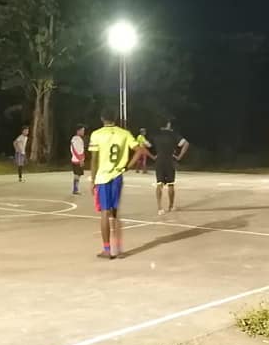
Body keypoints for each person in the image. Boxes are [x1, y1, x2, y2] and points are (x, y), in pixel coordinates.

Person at [88, 110, 149, 259]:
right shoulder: (124, 133)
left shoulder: (96, 134)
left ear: (102, 118)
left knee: (104, 212)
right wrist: (127, 166)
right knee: (115, 213)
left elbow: (94, 160)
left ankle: (107, 249)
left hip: (103, 177)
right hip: (117, 176)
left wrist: (92, 179)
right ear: (115, 118)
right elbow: (140, 150)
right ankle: (118, 248)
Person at [151, 120, 190, 215]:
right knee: (171, 184)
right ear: (168, 124)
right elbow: (186, 144)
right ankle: (171, 206)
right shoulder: (173, 134)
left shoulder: (156, 135)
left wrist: (152, 156)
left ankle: (160, 208)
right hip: (170, 160)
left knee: (159, 183)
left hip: (159, 160)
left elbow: (144, 145)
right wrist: (179, 156)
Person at [70, 124, 86, 195]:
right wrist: (80, 160)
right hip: (77, 160)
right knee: (77, 174)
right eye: (82, 130)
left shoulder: (77, 139)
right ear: (78, 131)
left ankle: (75, 189)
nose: (83, 132)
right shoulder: (76, 139)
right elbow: (75, 150)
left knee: (78, 174)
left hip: (77, 159)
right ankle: (75, 189)